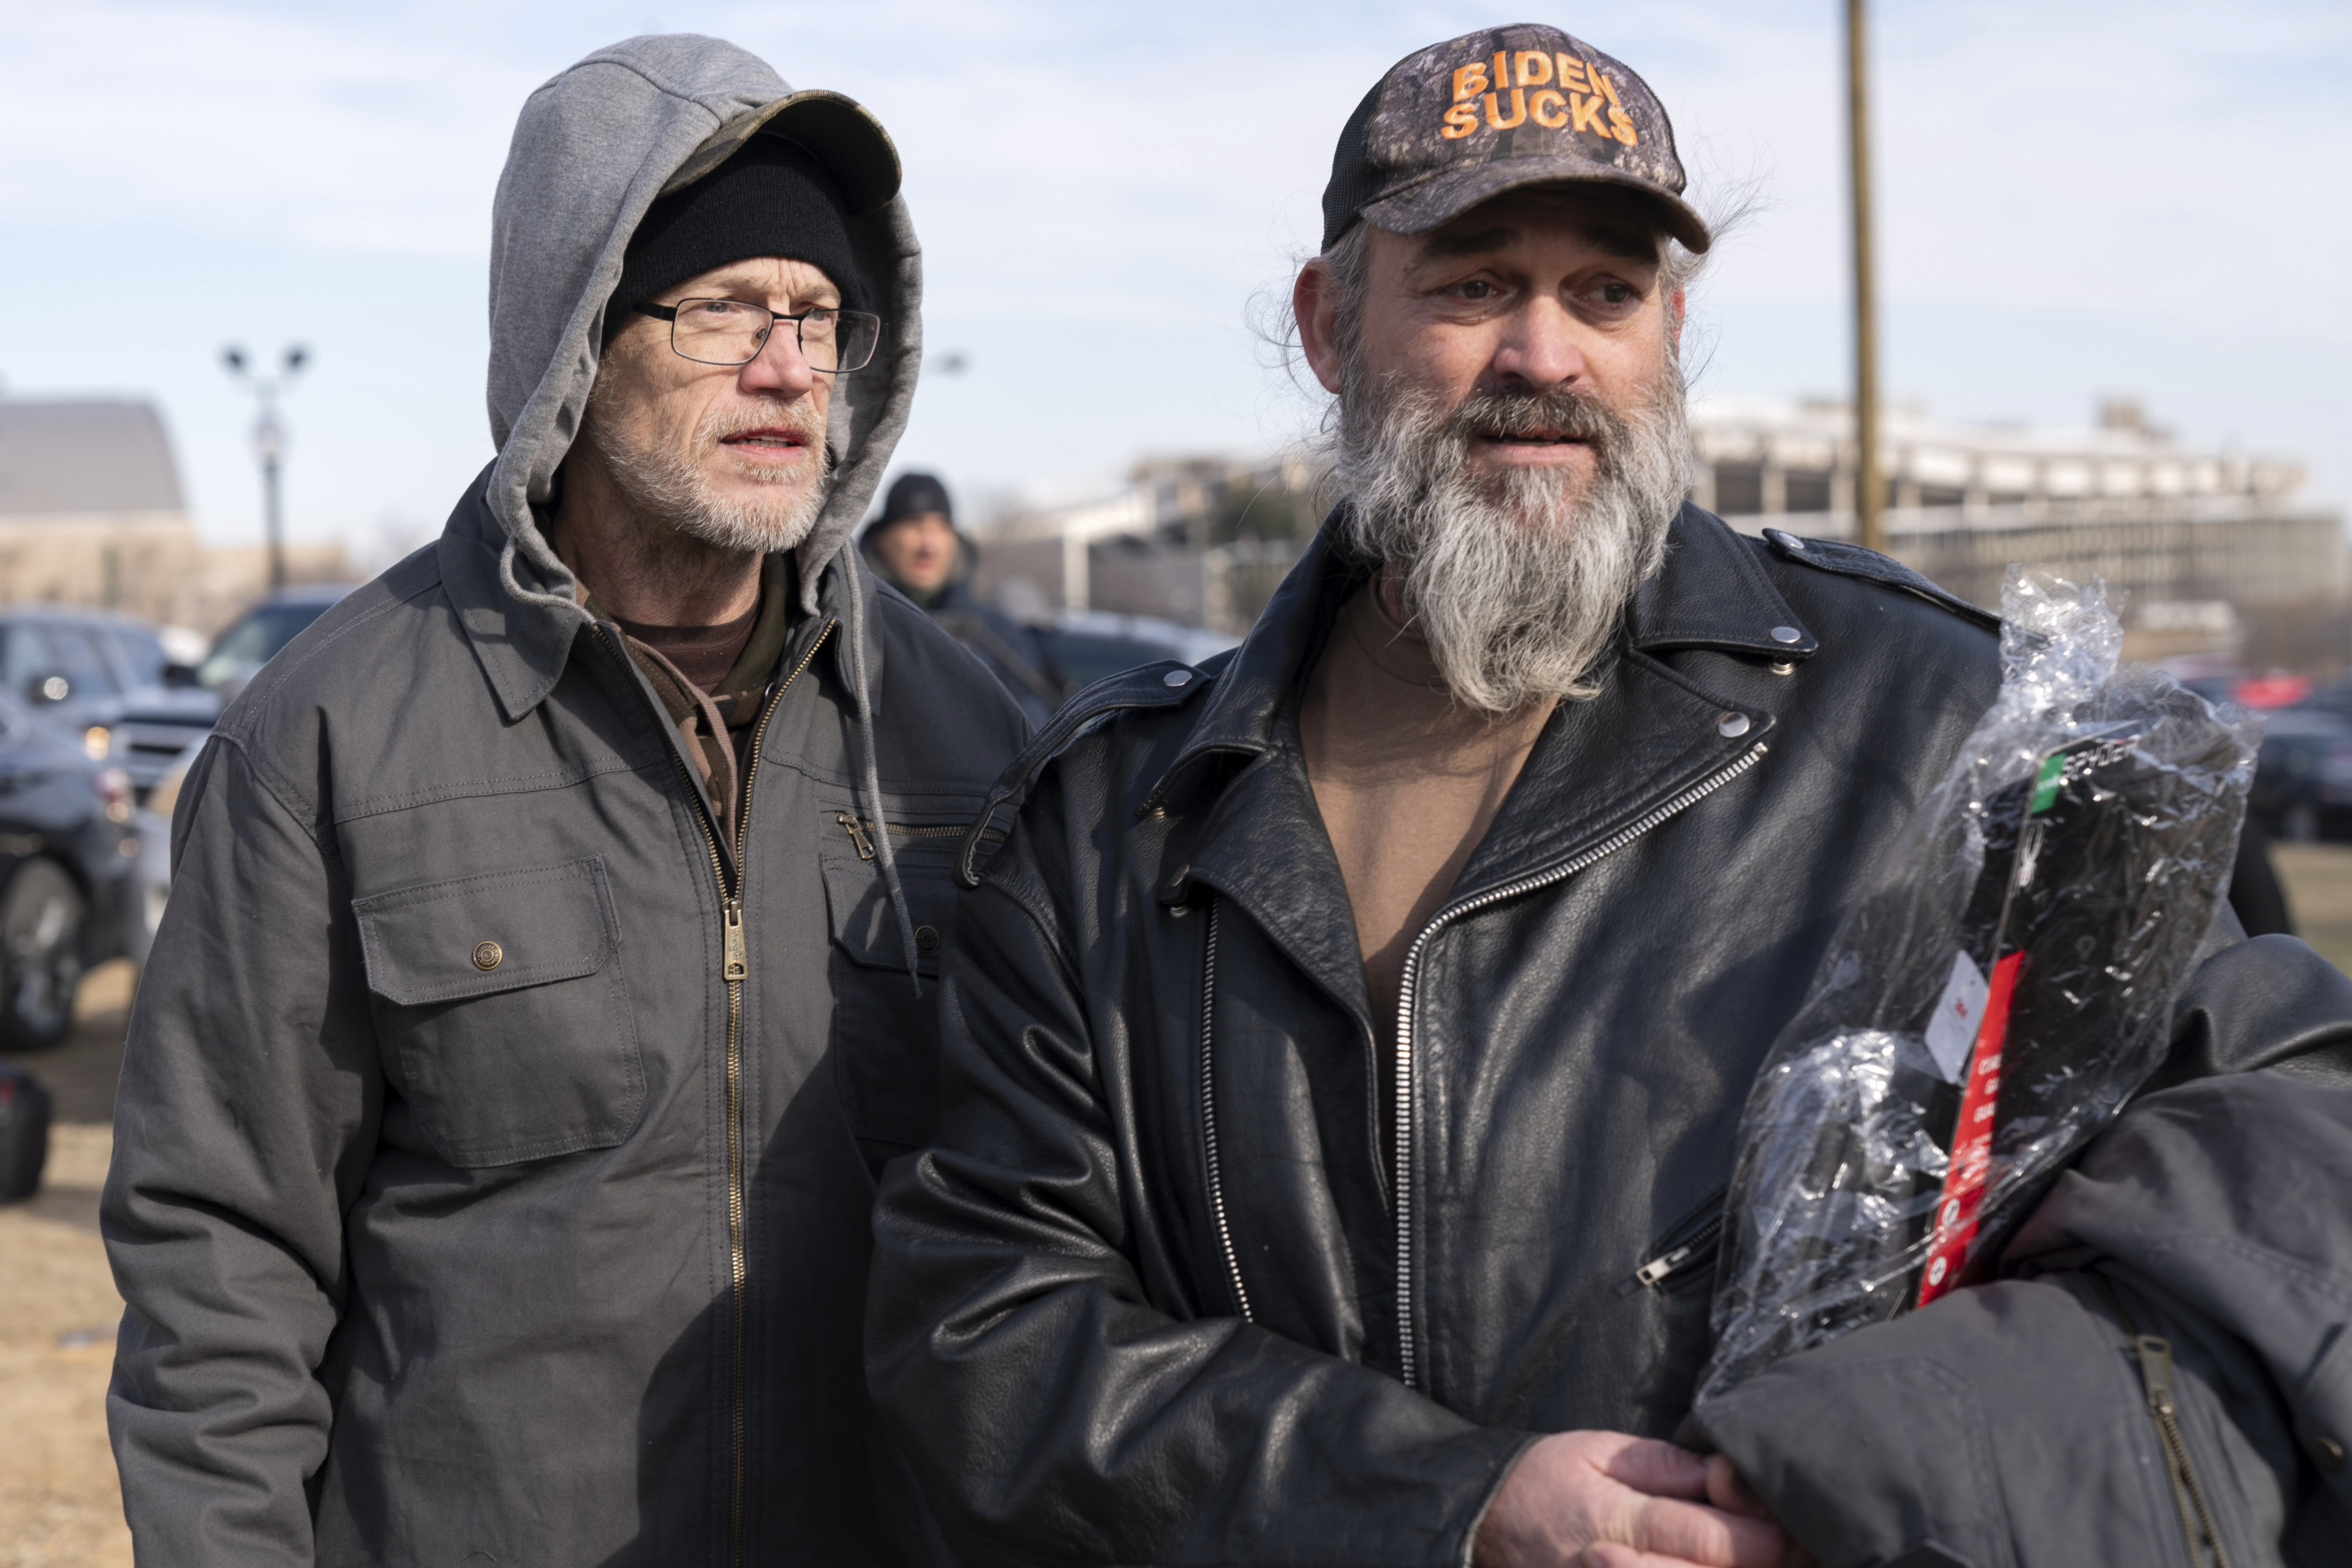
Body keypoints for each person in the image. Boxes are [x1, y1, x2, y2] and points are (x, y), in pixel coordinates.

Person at [867, 24, 2352, 1568]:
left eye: (1604, 292)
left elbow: (2276, 1167)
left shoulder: (1946, 728)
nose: (1543, 355)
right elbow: (986, 1327)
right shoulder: (1112, 819)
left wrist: (1848, 1478)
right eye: (1469, 282)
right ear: (1326, 325)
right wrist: (1446, 1511)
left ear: (1671, 330)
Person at [104, 35, 1025, 1566]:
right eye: (725, 308)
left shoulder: (962, 732)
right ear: (577, 335)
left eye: (815, 316)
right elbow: (221, 1261)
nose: (788, 368)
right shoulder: (327, 733)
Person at [862, 471, 1064, 723]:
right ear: (882, 539)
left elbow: (1033, 729)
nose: (929, 545)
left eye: (940, 528)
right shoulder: (855, 626)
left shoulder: (994, 634)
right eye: (914, 526)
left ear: (954, 540)